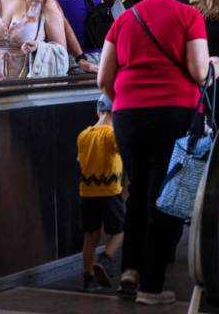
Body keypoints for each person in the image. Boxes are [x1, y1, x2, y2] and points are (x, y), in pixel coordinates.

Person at [98, 0, 219, 305]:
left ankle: (130, 269)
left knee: (138, 191)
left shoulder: (125, 19)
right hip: (175, 113)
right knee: (166, 195)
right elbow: (200, 71)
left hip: (128, 116)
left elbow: (103, 78)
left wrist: (125, 100)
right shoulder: (188, 16)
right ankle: (151, 287)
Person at [77, 94, 124, 291]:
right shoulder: (112, 135)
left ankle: (88, 278)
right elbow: (123, 152)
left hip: (87, 193)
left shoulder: (83, 135)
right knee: (120, 230)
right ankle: (104, 259)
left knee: (90, 236)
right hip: (110, 192)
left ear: (98, 111)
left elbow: (80, 161)